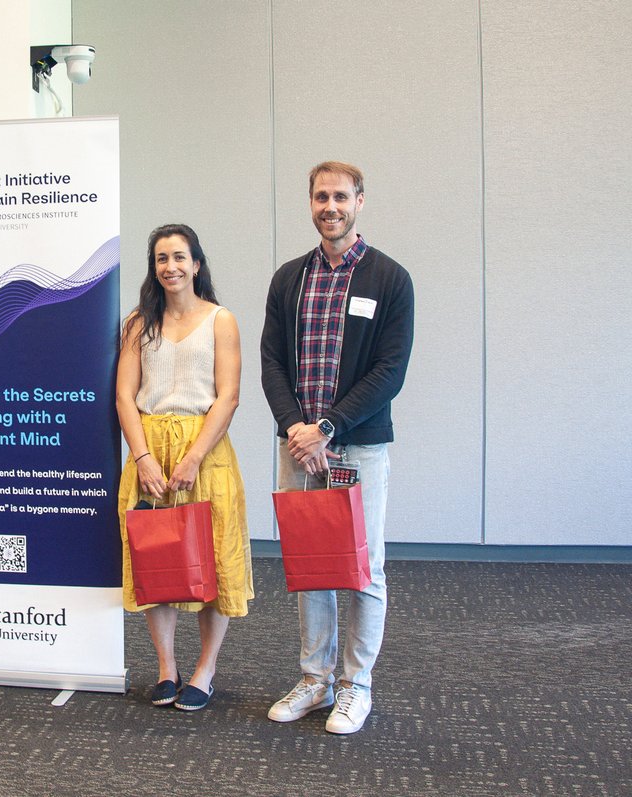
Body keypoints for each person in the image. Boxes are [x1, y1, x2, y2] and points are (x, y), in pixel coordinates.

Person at [261, 161, 415, 734]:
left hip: (357, 449)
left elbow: (389, 372)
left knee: (364, 568)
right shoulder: (289, 279)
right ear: (310, 203)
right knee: (310, 565)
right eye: (321, 196)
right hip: (298, 447)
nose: (331, 206)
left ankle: (355, 685)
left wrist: (327, 427)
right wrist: (297, 428)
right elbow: (272, 361)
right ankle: (315, 678)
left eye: (341, 197)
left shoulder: (390, 280)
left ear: (360, 202)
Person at [115, 223, 254, 712]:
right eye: (161, 258)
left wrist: (194, 456)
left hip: (206, 455)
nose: (170, 266)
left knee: (210, 562)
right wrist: (144, 457)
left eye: (179, 257)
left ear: (196, 263)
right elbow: (124, 396)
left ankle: (205, 670)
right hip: (151, 455)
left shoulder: (221, 320)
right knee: (159, 563)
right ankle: (167, 668)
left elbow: (229, 396)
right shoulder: (138, 323)